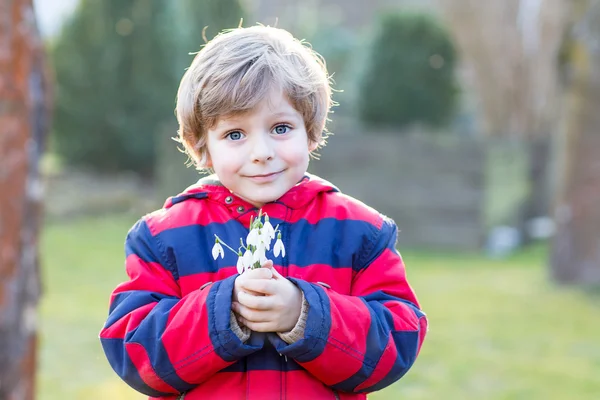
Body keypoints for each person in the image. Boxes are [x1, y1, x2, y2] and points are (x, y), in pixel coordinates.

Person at [99, 25, 427, 400]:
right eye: (235, 134)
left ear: (312, 132)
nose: (261, 152)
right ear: (201, 147)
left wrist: (304, 315)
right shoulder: (163, 238)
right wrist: (225, 312)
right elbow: (133, 352)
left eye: (281, 127)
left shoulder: (359, 231)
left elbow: (398, 341)